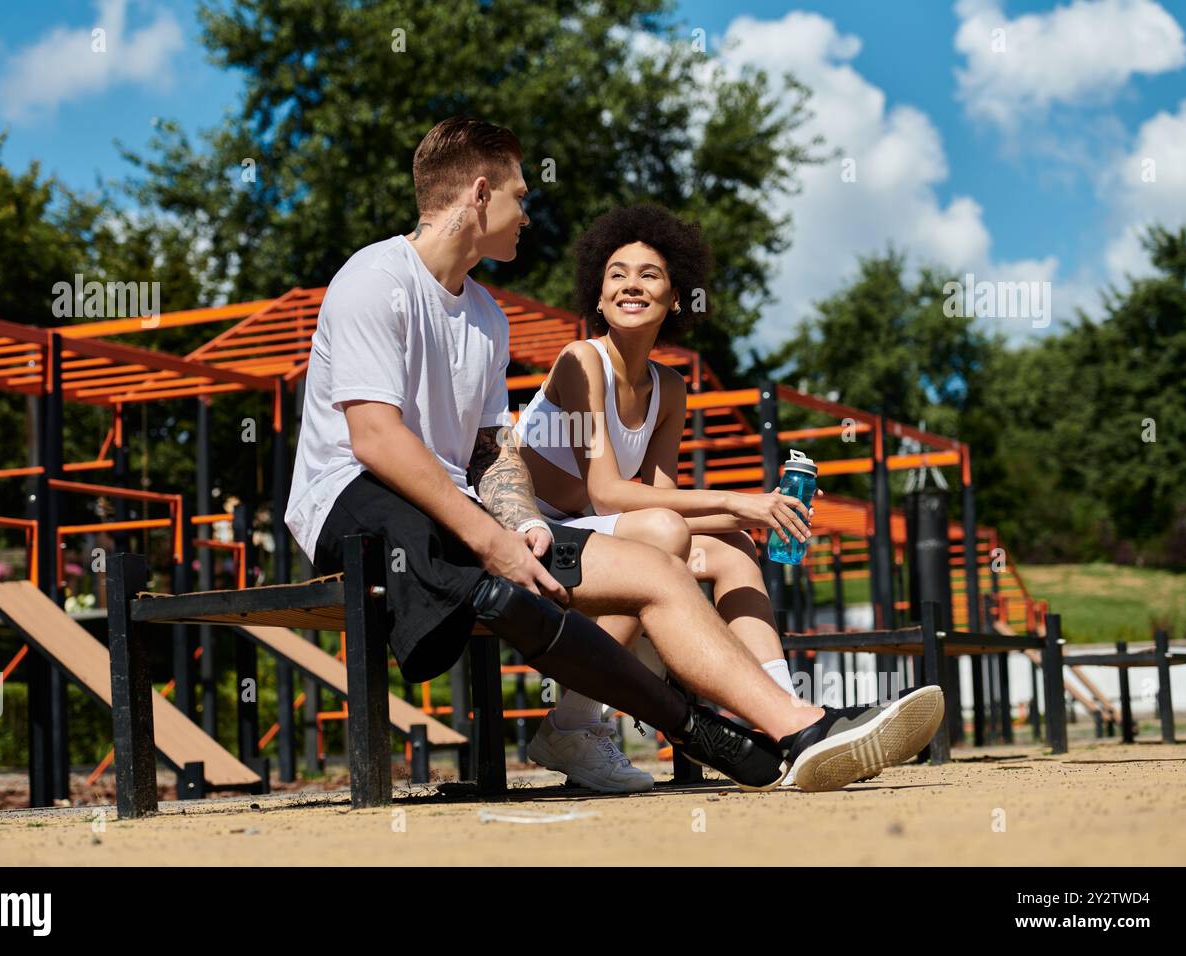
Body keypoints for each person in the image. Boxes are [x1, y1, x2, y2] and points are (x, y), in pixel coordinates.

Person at [285, 117, 944, 794]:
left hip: (461, 512)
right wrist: (494, 537)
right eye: (520, 195)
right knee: (635, 541)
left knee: (658, 567)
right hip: (355, 504)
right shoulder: (374, 277)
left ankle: (800, 728)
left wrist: (519, 523)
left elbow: (492, 451)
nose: (528, 214)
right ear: (479, 195)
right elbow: (376, 439)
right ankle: (612, 729)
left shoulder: (486, 314)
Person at [515, 204, 842, 791]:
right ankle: (572, 724)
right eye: (616, 273)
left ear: (675, 299)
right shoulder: (580, 360)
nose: (631, 284)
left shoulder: (670, 387)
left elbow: (660, 498)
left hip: (596, 532)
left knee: (734, 545)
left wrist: (753, 514)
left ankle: (785, 720)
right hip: (528, 534)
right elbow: (610, 492)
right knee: (668, 534)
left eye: (650, 274)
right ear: (597, 295)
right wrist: (741, 499)